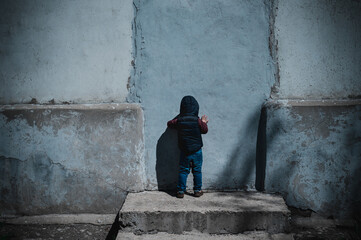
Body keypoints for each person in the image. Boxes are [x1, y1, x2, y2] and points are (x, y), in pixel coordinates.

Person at [167, 95, 209, 198]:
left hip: (184, 151)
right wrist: (204, 122)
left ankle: (180, 191)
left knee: (183, 170)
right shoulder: (197, 121)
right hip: (197, 150)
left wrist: (179, 117)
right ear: (196, 108)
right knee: (197, 170)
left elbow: (169, 124)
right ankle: (197, 190)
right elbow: (205, 130)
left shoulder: (179, 121)